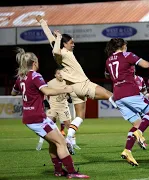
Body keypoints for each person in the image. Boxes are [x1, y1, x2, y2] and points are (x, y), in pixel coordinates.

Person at [36, 16, 116, 154]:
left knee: (80, 116)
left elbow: (50, 39)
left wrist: (43, 23)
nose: (73, 45)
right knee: (111, 95)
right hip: (83, 84)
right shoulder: (62, 53)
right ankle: (134, 119)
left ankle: (69, 138)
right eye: (71, 43)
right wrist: (60, 37)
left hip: (74, 89)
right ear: (65, 44)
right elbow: (55, 50)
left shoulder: (60, 50)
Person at [11, 48, 89, 178]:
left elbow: (14, 92)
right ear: (35, 63)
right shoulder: (35, 76)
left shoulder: (21, 78)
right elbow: (47, 92)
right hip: (38, 118)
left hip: (30, 117)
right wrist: (66, 88)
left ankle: (58, 171)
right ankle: (72, 172)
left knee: (54, 143)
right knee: (61, 143)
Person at [105, 38, 149, 166]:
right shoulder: (127, 55)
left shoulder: (108, 60)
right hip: (130, 91)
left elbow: (107, 75)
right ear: (123, 45)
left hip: (118, 95)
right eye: (126, 45)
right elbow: (146, 65)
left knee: (137, 123)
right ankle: (139, 134)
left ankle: (127, 150)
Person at [36, 69, 80, 151]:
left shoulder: (67, 82)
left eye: (62, 73)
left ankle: (73, 143)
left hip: (64, 108)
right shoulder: (50, 83)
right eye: (58, 73)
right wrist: (45, 101)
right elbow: (44, 92)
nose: (60, 75)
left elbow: (70, 93)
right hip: (53, 107)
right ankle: (40, 142)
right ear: (55, 75)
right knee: (46, 125)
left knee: (69, 126)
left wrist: (69, 97)